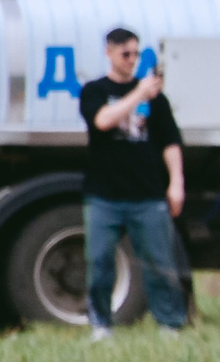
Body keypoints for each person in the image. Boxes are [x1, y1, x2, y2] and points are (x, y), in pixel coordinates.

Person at [77, 28, 191, 338]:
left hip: (147, 195)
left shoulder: (157, 101)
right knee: (99, 262)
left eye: (136, 54)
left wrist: (176, 182)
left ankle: (170, 324)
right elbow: (102, 121)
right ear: (109, 53)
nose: (131, 60)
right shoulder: (95, 91)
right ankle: (101, 324)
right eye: (125, 54)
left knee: (159, 263)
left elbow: (170, 142)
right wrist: (139, 94)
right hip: (104, 195)